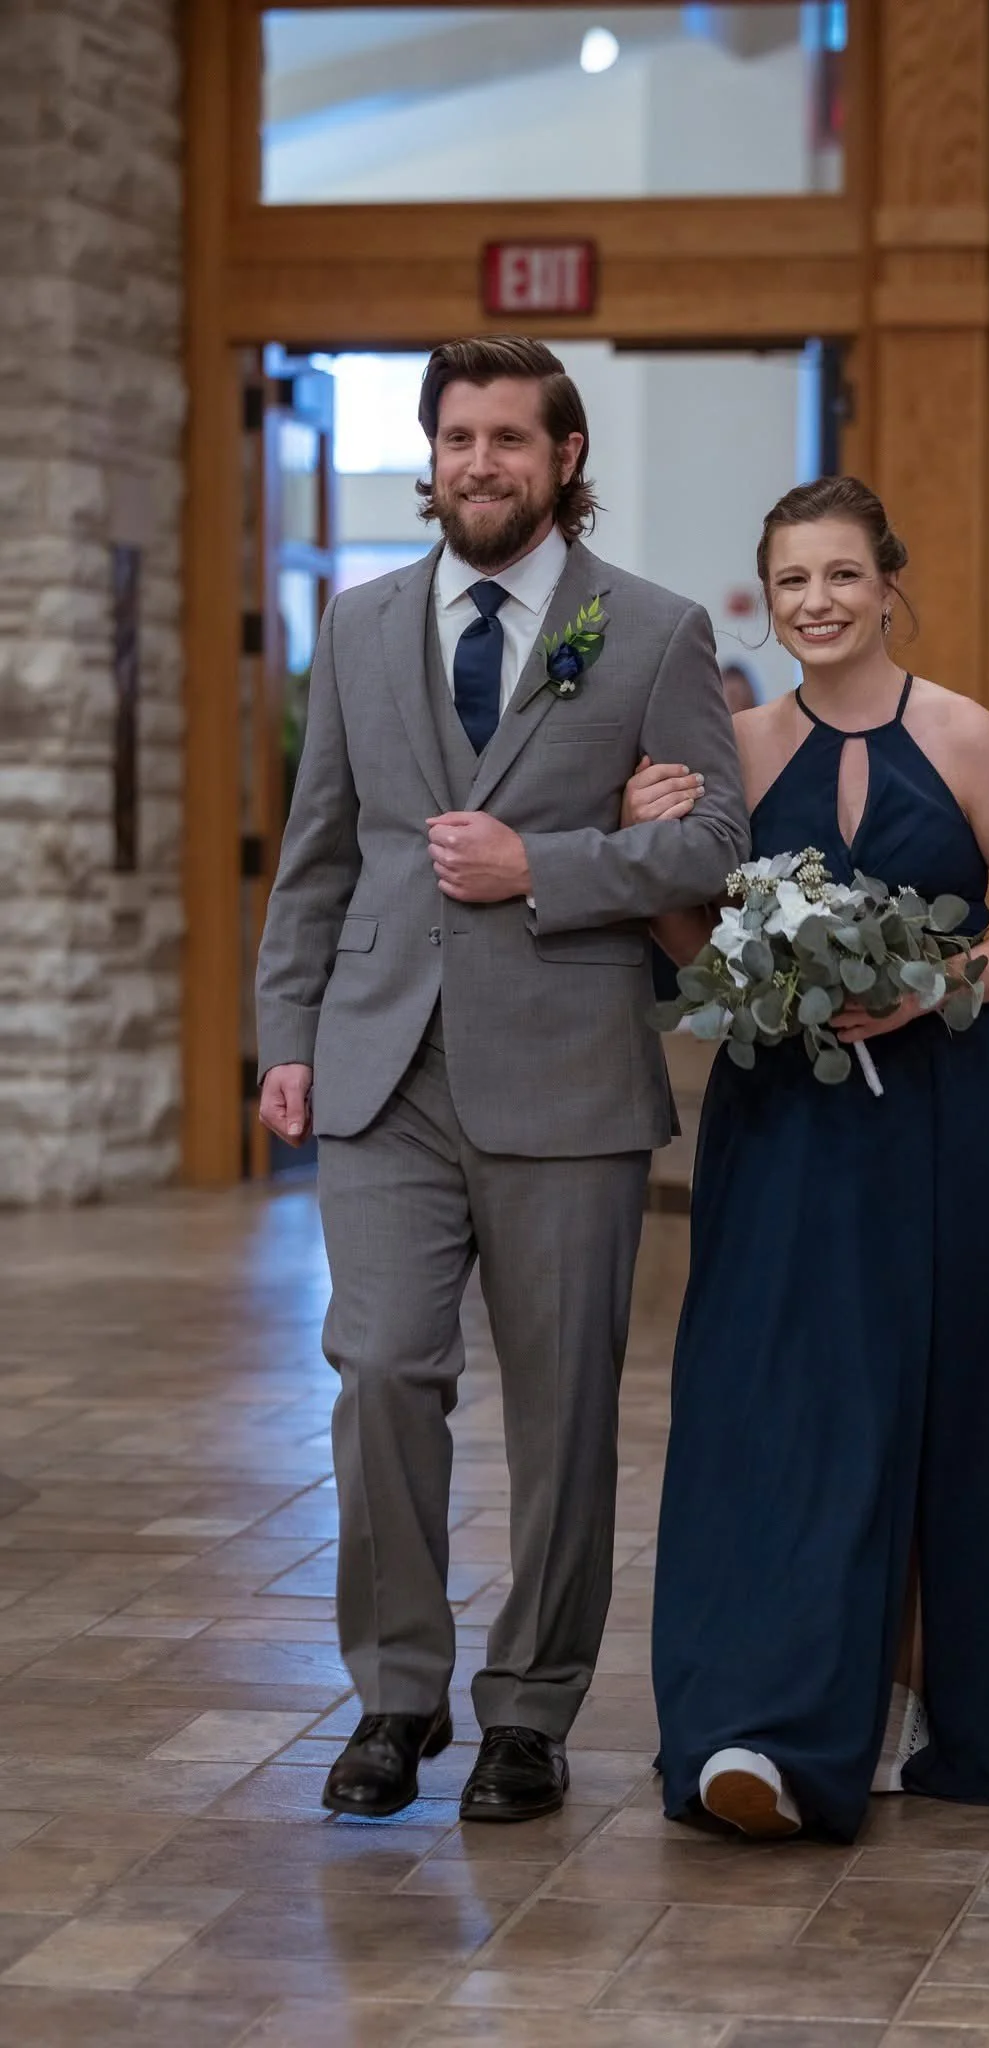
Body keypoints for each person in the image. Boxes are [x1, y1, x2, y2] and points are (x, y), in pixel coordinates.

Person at [628, 476, 989, 1843]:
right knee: (783, 1404)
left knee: (958, 1400)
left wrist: (938, 986)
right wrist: (691, 900)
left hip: (951, 1118)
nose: (817, 602)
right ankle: (769, 1720)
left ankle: (942, 1697)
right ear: (769, 590)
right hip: (789, 1123)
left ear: (888, 584)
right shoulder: (737, 747)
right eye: (793, 579)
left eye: (842, 577)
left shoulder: (964, 735)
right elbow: (686, 934)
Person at [256, 337, 748, 1824]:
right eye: (458, 436)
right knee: (383, 1375)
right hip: (380, 1063)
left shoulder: (652, 632)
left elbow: (717, 845)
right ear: (433, 454)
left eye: (509, 439)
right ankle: (395, 1696)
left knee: (563, 1405)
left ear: (565, 457)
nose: (481, 462)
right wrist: (285, 1037)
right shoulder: (358, 624)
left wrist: (557, 862)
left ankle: (531, 1711)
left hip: (569, 1073)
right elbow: (320, 852)